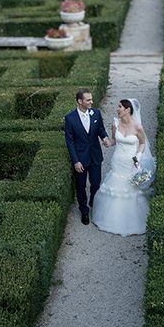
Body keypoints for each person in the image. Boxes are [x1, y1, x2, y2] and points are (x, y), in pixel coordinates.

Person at [91, 98, 155, 236]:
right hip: (117, 161)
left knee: (130, 188)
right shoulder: (115, 124)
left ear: (128, 110)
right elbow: (114, 140)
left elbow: (142, 143)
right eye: (118, 106)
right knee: (115, 185)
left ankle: (131, 221)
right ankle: (111, 219)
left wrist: (138, 156)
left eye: (120, 107)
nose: (117, 109)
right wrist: (108, 142)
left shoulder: (138, 127)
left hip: (131, 161)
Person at [64, 88, 111, 225]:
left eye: (91, 99)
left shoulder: (96, 113)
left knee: (96, 183)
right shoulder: (70, 118)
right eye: (88, 100)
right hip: (80, 159)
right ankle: (84, 210)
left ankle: (93, 202)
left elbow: (101, 130)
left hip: (95, 155)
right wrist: (75, 161)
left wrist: (105, 138)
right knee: (81, 185)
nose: (92, 102)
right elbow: (70, 141)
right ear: (80, 101)